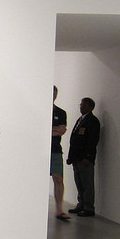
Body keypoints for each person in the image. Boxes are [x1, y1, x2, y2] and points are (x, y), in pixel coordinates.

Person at [67, 98, 100, 217]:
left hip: (84, 159)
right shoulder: (80, 120)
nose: (80, 107)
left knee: (87, 184)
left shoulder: (93, 121)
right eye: (80, 104)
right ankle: (81, 204)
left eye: (83, 105)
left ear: (90, 107)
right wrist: (71, 157)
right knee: (79, 182)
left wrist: (88, 157)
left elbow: (92, 141)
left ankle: (88, 207)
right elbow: (74, 139)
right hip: (76, 158)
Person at [51, 86, 70, 221]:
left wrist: (49, 130)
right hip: (41, 150)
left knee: (58, 179)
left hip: (55, 150)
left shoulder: (61, 113)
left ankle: (59, 210)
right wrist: (54, 130)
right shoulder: (40, 111)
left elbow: (61, 130)